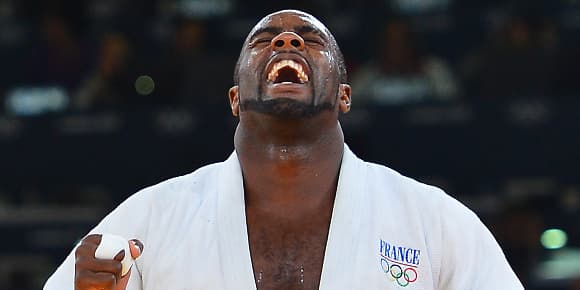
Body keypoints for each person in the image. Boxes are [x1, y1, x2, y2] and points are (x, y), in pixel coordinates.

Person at [44, 9, 524, 290]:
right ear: (235, 98)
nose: (287, 40)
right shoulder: (151, 217)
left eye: (310, 40)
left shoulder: (433, 221)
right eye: (263, 41)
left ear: (344, 95)